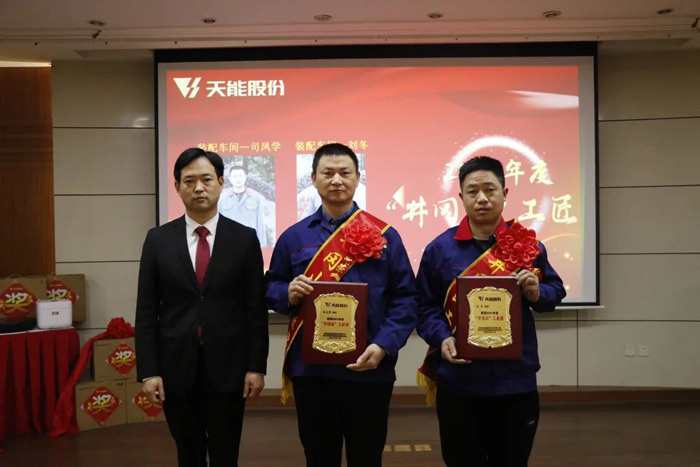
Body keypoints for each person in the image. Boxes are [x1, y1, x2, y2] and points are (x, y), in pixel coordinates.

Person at [265, 143, 417, 467]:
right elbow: (270, 286)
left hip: (370, 369)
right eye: (328, 173)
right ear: (313, 179)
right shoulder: (294, 237)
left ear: (358, 178)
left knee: (367, 457)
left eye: (345, 173)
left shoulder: (386, 235)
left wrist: (384, 344)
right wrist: (288, 292)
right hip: (313, 373)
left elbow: (405, 298)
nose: (336, 180)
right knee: (319, 457)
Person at [416, 156, 566, 467]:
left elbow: (555, 291)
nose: (482, 198)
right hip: (460, 381)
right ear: (461, 197)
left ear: (505, 193)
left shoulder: (528, 245)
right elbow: (424, 306)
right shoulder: (439, 249)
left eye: (490, 189)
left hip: (515, 380)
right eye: (472, 191)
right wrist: (442, 337)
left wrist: (537, 292)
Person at [135, 148, 269, 466]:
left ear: (221, 183)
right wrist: (149, 371)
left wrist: (256, 366)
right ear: (177, 187)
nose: (198, 188)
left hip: (229, 366)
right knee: (188, 452)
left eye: (206, 179)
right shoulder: (158, 240)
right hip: (176, 366)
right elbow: (146, 311)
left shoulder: (244, 239)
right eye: (189, 181)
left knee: (226, 454)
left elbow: (255, 309)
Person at [218, 164, 269, 246]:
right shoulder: (222, 199)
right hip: (228, 243)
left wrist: (262, 246)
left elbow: (261, 224)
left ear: (245, 177)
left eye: (240, 176)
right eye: (235, 176)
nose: (238, 179)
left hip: (250, 242)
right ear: (230, 178)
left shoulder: (256, 198)